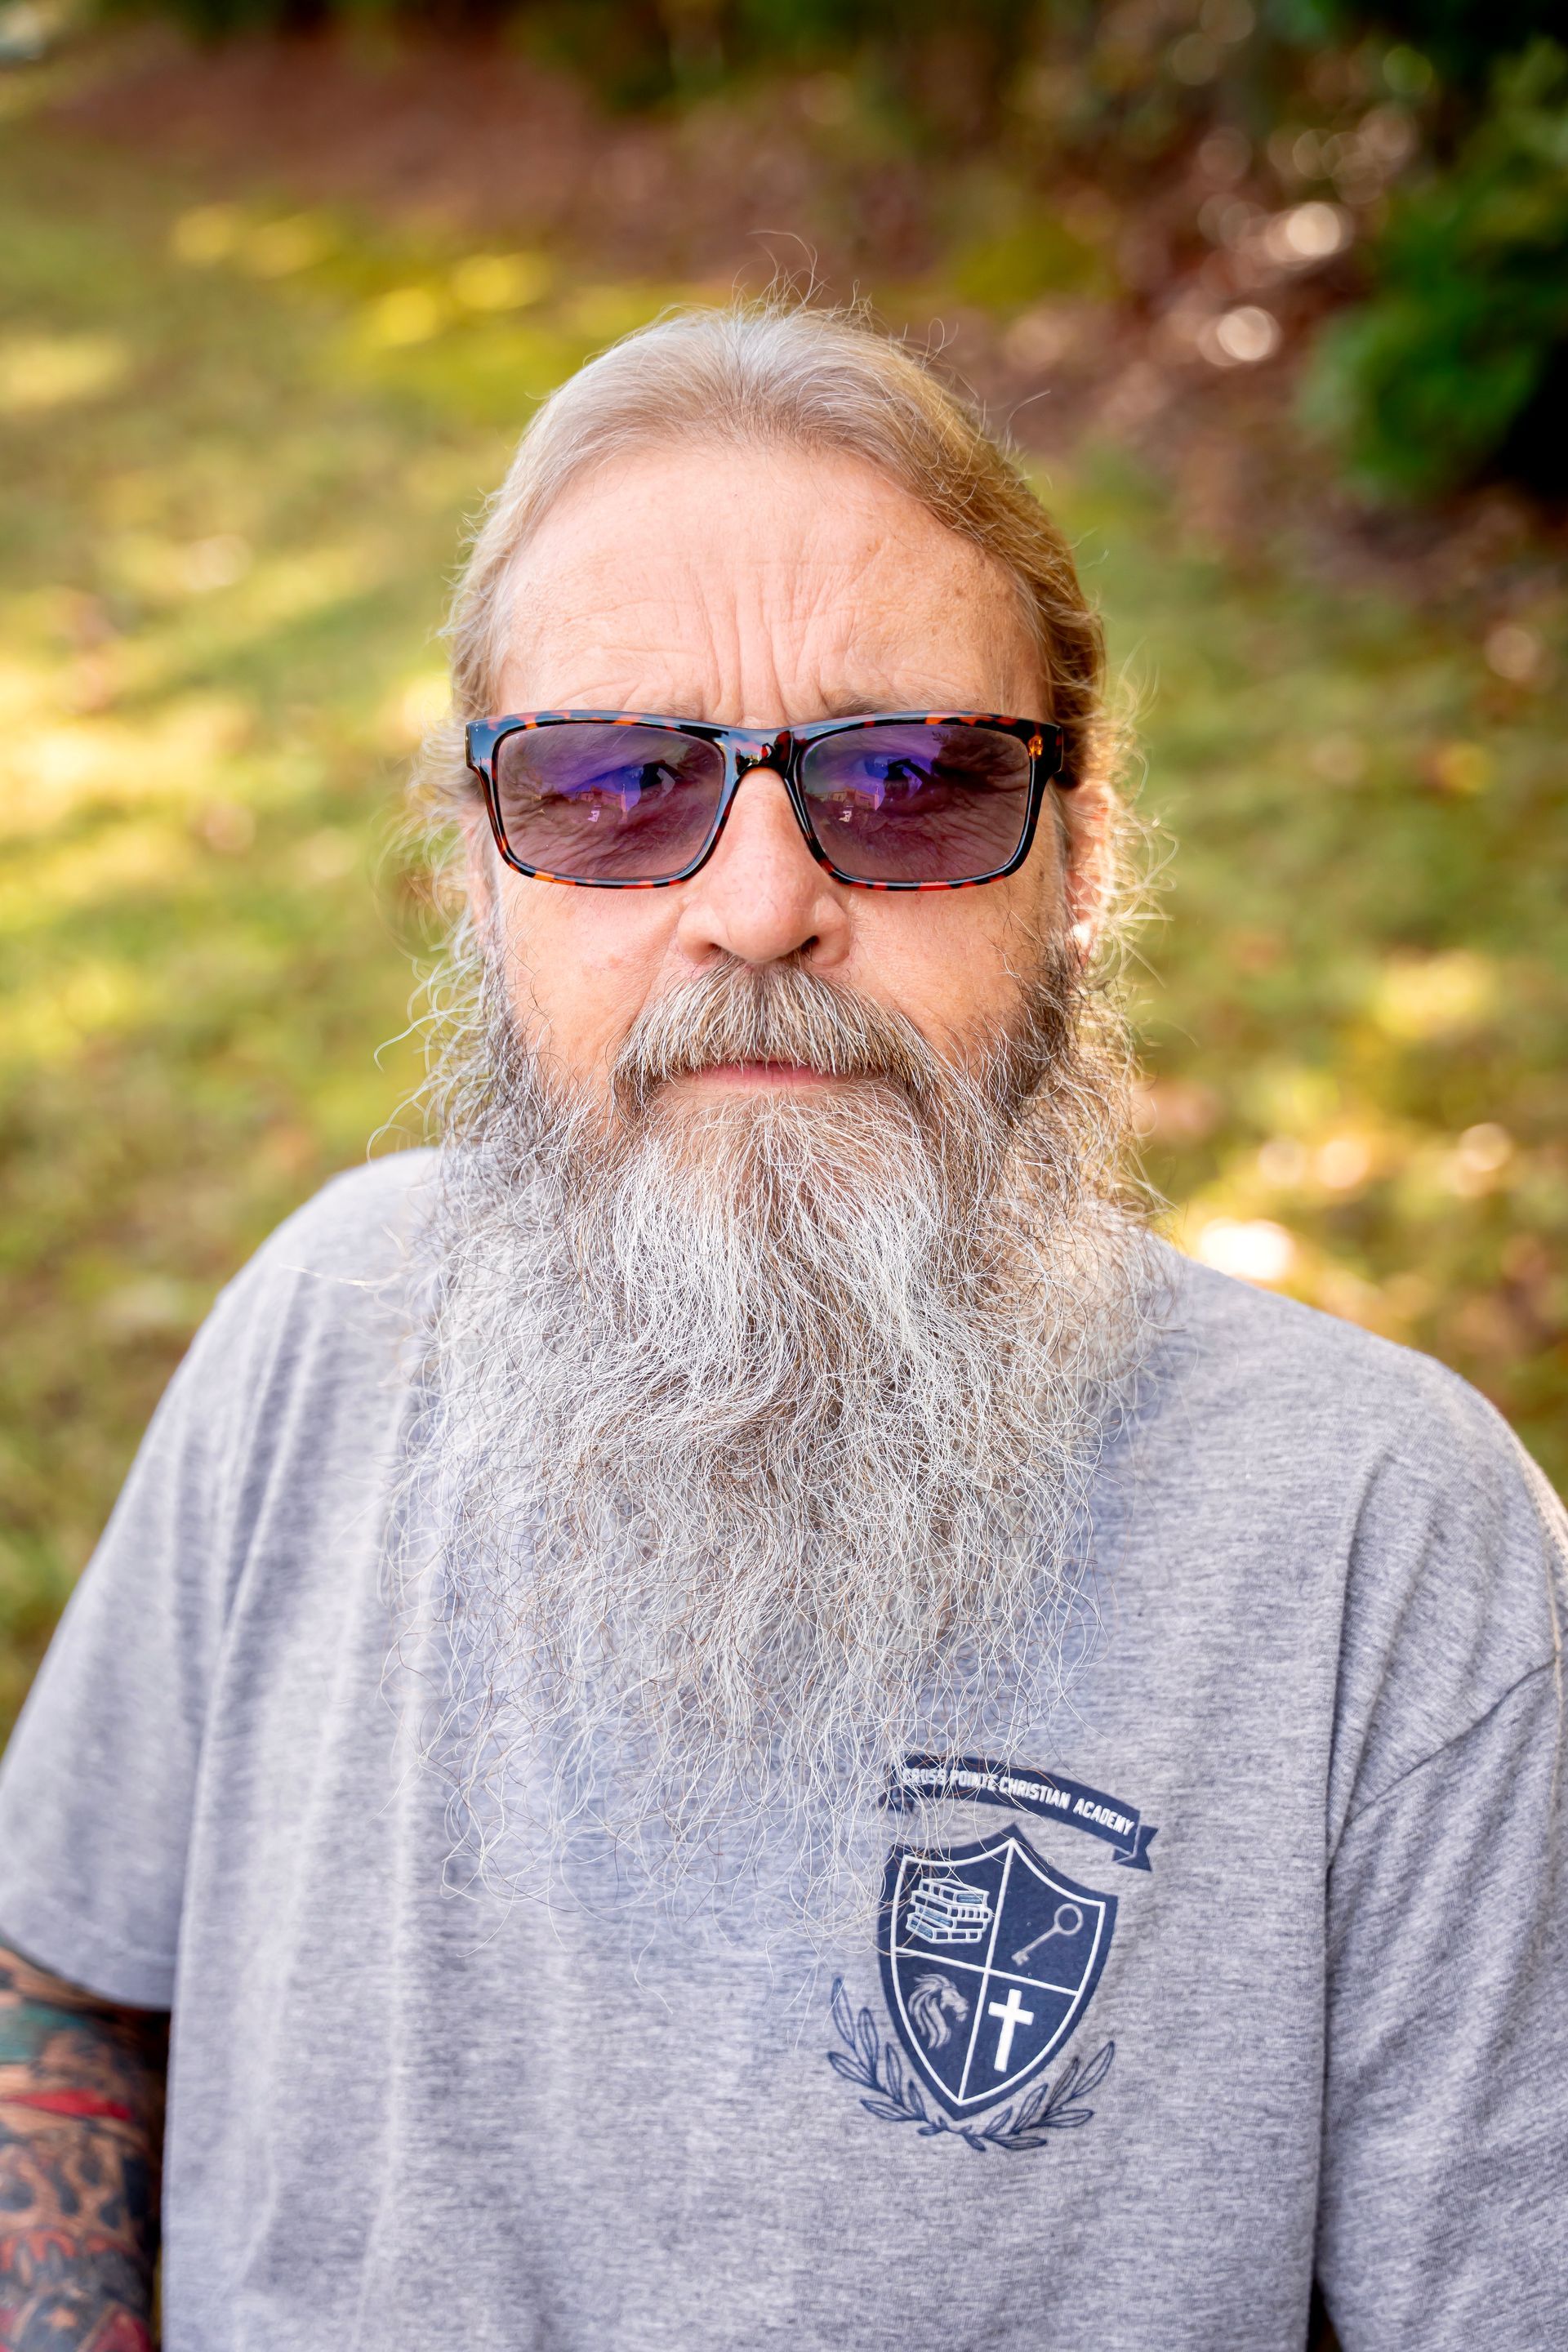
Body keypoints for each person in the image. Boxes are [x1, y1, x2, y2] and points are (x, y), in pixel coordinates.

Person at [0, 303, 1561, 2352]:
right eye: (617, 783)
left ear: (1079, 863)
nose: (755, 903)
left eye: (906, 782)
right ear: (482, 872)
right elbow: (60, 1973)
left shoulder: (1389, 1552)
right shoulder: (322, 1326)